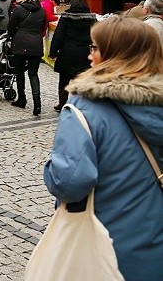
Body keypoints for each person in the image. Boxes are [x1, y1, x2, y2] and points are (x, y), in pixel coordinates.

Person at [42, 16, 163, 281]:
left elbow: (70, 182)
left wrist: (50, 168)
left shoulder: (84, 109)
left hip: (103, 250)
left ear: (115, 55)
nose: (89, 57)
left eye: (95, 48)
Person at [48, 0, 96, 112]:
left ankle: (62, 103)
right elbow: (97, 35)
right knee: (83, 79)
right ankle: (81, 104)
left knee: (64, 80)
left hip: (67, 52)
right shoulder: (91, 18)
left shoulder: (66, 17)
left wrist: (53, 52)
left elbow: (58, 35)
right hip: (85, 53)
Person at [7, 0, 47, 115]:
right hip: (36, 44)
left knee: (19, 72)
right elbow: (42, 28)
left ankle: (22, 99)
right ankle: (37, 104)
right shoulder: (41, 10)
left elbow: (11, 28)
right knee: (33, 73)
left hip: (20, 43)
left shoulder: (18, 9)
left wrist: (12, 37)